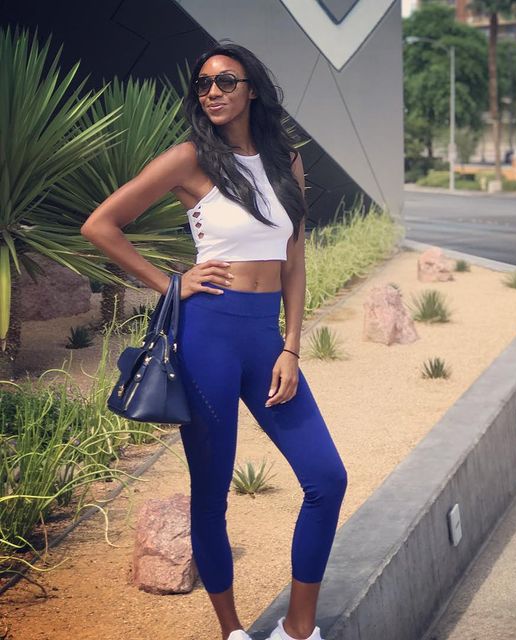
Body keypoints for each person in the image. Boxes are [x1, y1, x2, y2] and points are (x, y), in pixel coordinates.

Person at [81, 42, 348, 640]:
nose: (213, 92)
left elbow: (295, 260)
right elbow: (100, 225)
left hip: (265, 340)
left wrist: (292, 346)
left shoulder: (286, 161)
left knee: (326, 478)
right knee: (211, 494)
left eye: (226, 81)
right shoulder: (189, 159)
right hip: (207, 338)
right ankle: (232, 632)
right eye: (203, 84)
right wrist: (171, 282)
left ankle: (298, 629)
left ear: (252, 88)